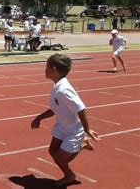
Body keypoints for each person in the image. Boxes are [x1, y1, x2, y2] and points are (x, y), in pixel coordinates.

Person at [31, 54, 100, 186]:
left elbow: (81, 108)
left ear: (54, 70)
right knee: (52, 151)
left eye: (46, 67)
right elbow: (54, 108)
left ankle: (70, 175)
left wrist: (86, 130)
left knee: (59, 158)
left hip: (74, 130)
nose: (44, 70)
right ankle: (81, 146)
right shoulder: (57, 86)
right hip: (61, 126)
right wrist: (39, 118)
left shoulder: (64, 90)